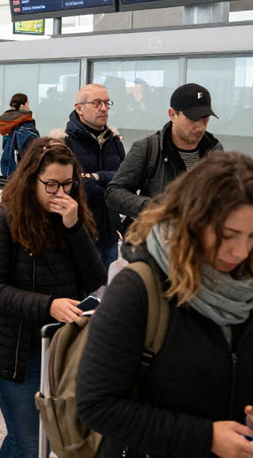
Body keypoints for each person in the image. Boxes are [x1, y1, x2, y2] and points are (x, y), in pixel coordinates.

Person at [78, 151, 253, 458]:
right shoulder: (138, 288)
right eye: (228, 235)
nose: (240, 251)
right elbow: (97, 404)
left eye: (252, 237)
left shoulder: (247, 284)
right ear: (193, 221)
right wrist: (206, 437)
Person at [0, 138, 105, 458]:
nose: (61, 193)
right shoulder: (3, 219)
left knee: (36, 439)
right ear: (31, 179)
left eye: (68, 184)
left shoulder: (73, 218)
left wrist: (75, 228)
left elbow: (94, 280)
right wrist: (49, 304)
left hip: (59, 348)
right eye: (51, 185)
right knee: (31, 443)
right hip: (15, 350)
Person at [106, 82, 223, 223]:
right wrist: (155, 208)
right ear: (172, 115)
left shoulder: (214, 151)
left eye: (205, 118)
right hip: (155, 239)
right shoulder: (148, 148)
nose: (200, 127)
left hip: (198, 239)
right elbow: (113, 193)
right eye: (193, 118)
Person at [61, 84, 125, 269]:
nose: (104, 108)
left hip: (111, 233)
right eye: (97, 103)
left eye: (106, 103)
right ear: (79, 108)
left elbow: (126, 179)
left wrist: (96, 177)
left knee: (109, 293)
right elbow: (76, 186)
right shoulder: (65, 143)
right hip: (80, 233)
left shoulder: (114, 141)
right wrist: (111, 188)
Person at [0, 92, 39, 177]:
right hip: (22, 172)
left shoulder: (7, 122)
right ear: (22, 105)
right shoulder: (25, 124)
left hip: (7, 167)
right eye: (27, 103)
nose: (28, 106)